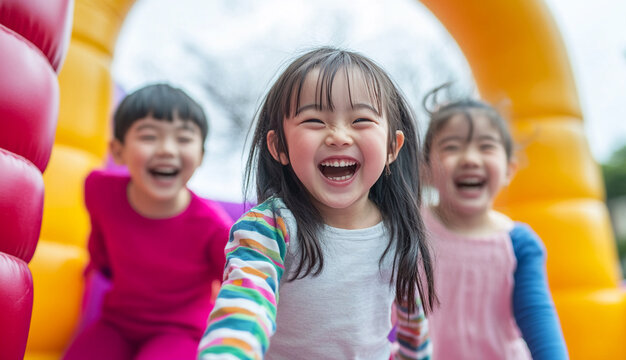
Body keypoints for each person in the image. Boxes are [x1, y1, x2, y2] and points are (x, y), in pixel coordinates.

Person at [197, 46, 437, 360]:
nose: (339, 135)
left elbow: (412, 317)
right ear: (278, 147)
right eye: (314, 120)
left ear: (393, 146)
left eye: (360, 119)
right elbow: (247, 298)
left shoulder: (398, 230)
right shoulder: (269, 228)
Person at [62, 83, 233, 360]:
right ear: (118, 151)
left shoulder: (213, 229)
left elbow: (239, 284)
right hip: (118, 322)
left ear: (201, 156)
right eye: (149, 136)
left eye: (183, 138)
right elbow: (100, 240)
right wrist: (97, 263)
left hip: (180, 331)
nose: (167, 149)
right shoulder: (100, 190)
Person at [420, 95, 568, 359]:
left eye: (486, 147)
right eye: (451, 147)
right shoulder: (410, 231)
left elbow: (536, 314)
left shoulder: (518, 243)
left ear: (509, 169)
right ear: (426, 169)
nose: (470, 159)